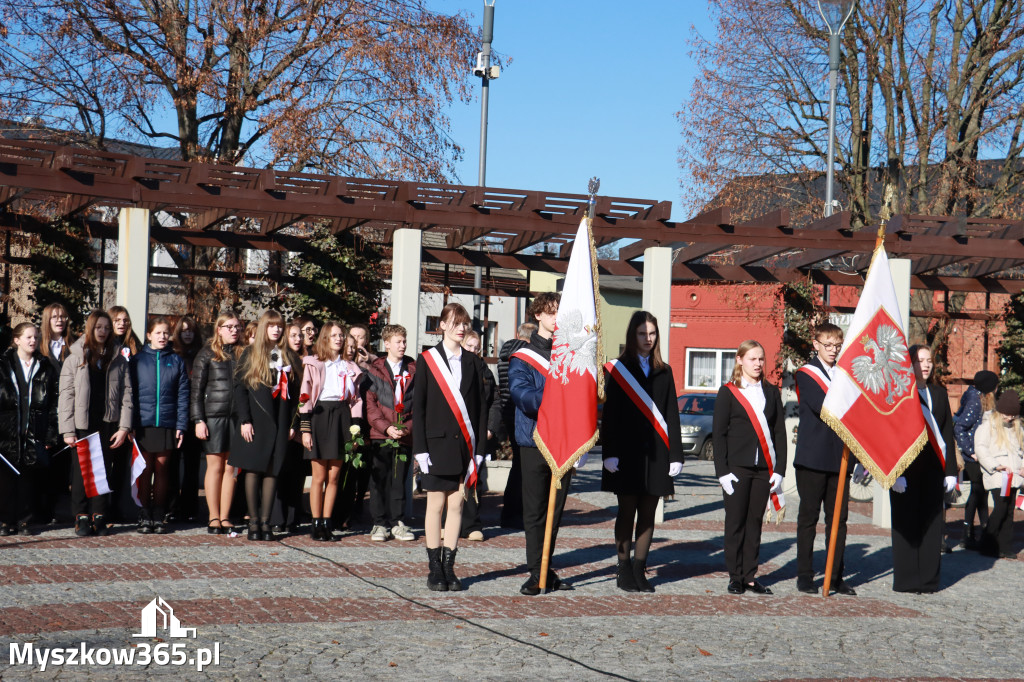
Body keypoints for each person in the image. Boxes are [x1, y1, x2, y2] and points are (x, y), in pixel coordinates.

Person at [601, 311, 684, 593]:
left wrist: (677, 455)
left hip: (658, 453)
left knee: (648, 513)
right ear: (632, 335)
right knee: (626, 512)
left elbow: (672, 413)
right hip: (626, 453)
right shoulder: (618, 369)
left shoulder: (665, 370)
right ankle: (623, 568)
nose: (648, 339)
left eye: (652, 334)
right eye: (642, 334)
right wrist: (608, 452)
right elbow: (610, 415)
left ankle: (640, 568)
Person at [413, 303, 488, 591]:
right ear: (442, 325)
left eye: (464, 323)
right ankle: (434, 569)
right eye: (455, 322)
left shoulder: (473, 361)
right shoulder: (428, 359)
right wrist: (420, 449)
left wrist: (479, 449)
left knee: (457, 504)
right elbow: (417, 408)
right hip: (435, 445)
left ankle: (449, 567)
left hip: (464, 446)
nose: (461, 327)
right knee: (436, 504)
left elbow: (480, 410)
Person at [509, 293, 577, 595]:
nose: (555, 318)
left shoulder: (571, 353)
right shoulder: (522, 354)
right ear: (538, 315)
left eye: (559, 313)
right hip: (533, 440)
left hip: (565, 441)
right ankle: (537, 572)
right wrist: (553, 400)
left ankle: (544, 568)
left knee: (556, 510)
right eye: (550, 312)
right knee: (535, 511)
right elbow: (520, 393)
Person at [712, 339, 786, 595]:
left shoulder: (772, 392)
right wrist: (722, 472)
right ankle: (735, 576)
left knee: (755, 523)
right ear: (740, 360)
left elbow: (779, 434)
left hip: (763, 469)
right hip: (737, 469)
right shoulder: (728, 392)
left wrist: (780, 470)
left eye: (761, 359)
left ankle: (750, 577)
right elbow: (719, 435)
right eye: (752, 358)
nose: (757, 363)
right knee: (735, 523)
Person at [793, 322, 856, 596]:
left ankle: (835, 574)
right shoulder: (806, 374)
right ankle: (805, 575)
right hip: (812, 458)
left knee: (838, 521)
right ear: (816, 344)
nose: (833, 350)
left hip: (840, 457)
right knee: (809, 519)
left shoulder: (846, 375)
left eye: (837, 346)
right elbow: (825, 408)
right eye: (828, 345)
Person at [889, 345, 957, 593]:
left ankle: (929, 580)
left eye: (929, 361)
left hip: (933, 469)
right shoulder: (899, 394)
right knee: (906, 524)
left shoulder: (938, 394)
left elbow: (947, 432)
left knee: (931, 524)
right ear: (910, 364)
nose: (926, 365)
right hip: (905, 471)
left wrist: (951, 471)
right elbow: (890, 435)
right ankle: (907, 580)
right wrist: (893, 473)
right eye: (920, 361)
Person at [58, 311, 133, 536]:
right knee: (81, 471)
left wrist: (124, 427)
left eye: (106, 328)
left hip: (108, 422)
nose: (103, 331)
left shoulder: (119, 358)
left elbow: (127, 394)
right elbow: (66, 395)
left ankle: (99, 515)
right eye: (98, 327)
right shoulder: (75, 356)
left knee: (102, 471)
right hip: (82, 422)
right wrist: (67, 430)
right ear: (90, 328)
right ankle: (81, 516)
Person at [230, 310, 299, 541]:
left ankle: (266, 522)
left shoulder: (286, 355)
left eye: (280, 326)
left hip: (279, 420)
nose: (276, 330)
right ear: (263, 328)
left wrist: (292, 423)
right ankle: (254, 523)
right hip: (256, 420)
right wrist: (244, 420)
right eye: (272, 326)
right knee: (252, 470)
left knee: (272, 470)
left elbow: (296, 393)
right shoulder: (251, 353)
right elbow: (240, 388)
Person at [298, 321, 362, 541]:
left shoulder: (350, 366)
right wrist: (305, 429)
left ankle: (327, 522)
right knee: (319, 476)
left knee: (334, 476)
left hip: (343, 417)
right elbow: (304, 396)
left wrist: (356, 431)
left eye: (341, 335)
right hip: (320, 416)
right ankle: (316, 524)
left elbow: (356, 400)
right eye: (334, 335)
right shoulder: (314, 363)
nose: (339, 339)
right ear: (324, 338)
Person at [131, 317, 190, 534]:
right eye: (158, 333)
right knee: (145, 471)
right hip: (143, 424)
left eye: (166, 333)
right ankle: (144, 512)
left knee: (162, 470)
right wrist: (130, 424)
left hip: (167, 423)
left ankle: (158, 512)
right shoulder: (137, 361)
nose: (163, 337)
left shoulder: (176, 361)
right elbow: (131, 395)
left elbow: (183, 395)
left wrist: (181, 425)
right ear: (149, 335)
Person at [0, 323, 60, 536]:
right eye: (28, 337)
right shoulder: (3, 365)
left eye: (35, 337)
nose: (33, 341)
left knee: (28, 478)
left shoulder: (45, 367)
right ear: (16, 340)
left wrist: (51, 433)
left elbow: (53, 402)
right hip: (7, 430)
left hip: (34, 428)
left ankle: (25, 520)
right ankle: (5, 520)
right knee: (6, 478)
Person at [364, 324, 417, 543]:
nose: (403, 345)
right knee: (379, 480)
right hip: (381, 434)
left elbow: (418, 405)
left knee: (399, 480)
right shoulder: (374, 371)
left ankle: (397, 522)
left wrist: (406, 428)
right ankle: (379, 523)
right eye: (398, 341)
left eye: (404, 341)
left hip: (404, 434)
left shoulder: (414, 369)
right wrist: (386, 427)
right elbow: (370, 404)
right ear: (387, 344)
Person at [191, 311, 241, 534]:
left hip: (236, 419)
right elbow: (196, 392)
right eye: (229, 327)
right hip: (213, 417)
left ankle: (225, 515)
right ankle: (213, 517)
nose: (234, 330)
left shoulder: (242, 354)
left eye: (237, 327)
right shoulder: (206, 354)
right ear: (219, 329)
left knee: (231, 468)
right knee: (215, 466)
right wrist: (198, 420)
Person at [459, 329, 501, 542]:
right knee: (455, 480)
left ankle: (472, 524)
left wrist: (491, 428)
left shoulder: (485, 371)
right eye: (470, 346)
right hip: (456, 434)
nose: (473, 351)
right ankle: (451, 523)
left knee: (474, 480)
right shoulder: (453, 368)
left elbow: (495, 401)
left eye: (477, 347)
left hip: (479, 434)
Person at [973, 390, 1023, 559]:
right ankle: (987, 542)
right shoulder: (988, 425)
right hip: (997, 474)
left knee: (1009, 510)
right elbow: (980, 447)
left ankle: (1004, 545)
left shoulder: (1018, 428)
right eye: (1006, 414)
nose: (1009, 418)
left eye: (1012, 415)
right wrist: (995, 466)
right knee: (1000, 508)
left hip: (1014, 474)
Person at [953, 370, 999, 549]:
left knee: (981, 493)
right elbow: (960, 428)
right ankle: (968, 534)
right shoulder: (975, 402)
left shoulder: (977, 398)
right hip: (974, 456)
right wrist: (971, 451)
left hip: (979, 453)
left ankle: (981, 532)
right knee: (978, 492)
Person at [270, 320, 308, 533]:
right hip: (278, 423)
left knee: (296, 473)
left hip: (295, 425)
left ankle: (292, 518)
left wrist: (295, 426)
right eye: (293, 335)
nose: (298, 339)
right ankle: (277, 517)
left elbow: (301, 398)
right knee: (279, 472)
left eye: (300, 335)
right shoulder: (276, 356)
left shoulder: (305, 361)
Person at [498, 322, 536, 530]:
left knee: (519, 465)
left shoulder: (506, 354)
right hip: (519, 413)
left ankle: (511, 511)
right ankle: (514, 512)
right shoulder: (524, 356)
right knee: (522, 467)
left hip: (507, 410)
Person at [38, 303, 72, 523]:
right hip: (45, 414)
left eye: (63, 317)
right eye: (55, 317)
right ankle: (42, 510)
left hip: (67, 415)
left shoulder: (73, 347)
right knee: (44, 466)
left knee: (63, 466)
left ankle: (56, 510)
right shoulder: (40, 347)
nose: (59, 320)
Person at [169, 315, 203, 522]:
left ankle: (190, 507)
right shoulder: (172, 355)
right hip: (175, 416)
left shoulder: (201, 354)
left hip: (195, 416)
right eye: (183, 331)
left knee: (192, 465)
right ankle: (172, 506)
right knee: (172, 464)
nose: (187, 334)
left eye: (190, 330)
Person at [40, 303, 71, 371]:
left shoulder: (73, 344)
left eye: (62, 316)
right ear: (47, 320)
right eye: (54, 317)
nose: (59, 320)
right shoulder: (37, 344)